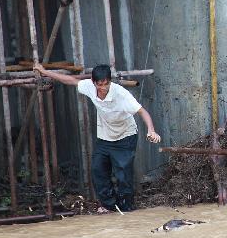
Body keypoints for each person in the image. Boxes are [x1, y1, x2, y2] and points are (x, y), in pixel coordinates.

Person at [35, 63, 160, 213]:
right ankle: (110, 206)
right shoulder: (89, 87)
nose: (103, 88)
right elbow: (69, 80)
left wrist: (151, 130)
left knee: (123, 175)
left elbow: (143, 112)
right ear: (94, 83)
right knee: (98, 170)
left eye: (106, 84)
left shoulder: (121, 94)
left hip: (125, 137)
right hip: (105, 138)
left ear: (110, 81)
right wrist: (44, 71)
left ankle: (127, 209)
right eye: (100, 85)